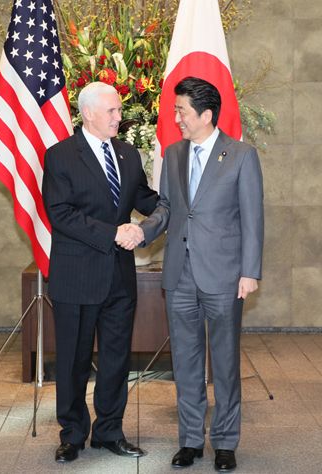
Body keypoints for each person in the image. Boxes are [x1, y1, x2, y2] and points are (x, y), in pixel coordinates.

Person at [134, 77, 264, 471]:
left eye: (182, 111)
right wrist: (143, 230)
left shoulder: (241, 155)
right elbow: (168, 209)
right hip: (180, 276)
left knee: (223, 362)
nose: (176, 119)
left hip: (225, 276)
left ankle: (225, 442)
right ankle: (190, 441)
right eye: (176, 111)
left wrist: (250, 271)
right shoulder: (173, 154)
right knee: (186, 362)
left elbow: (252, 218)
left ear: (206, 115)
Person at [42, 81, 158, 463]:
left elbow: (143, 198)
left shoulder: (127, 154)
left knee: (115, 358)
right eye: (111, 111)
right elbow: (60, 214)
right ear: (88, 112)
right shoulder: (60, 156)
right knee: (74, 359)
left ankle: (109, 430)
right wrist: (113, 233)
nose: (119, 117)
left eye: (120, 110)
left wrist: (181, 200)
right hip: (76, 277)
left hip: (119, 278)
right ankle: (73, 433)